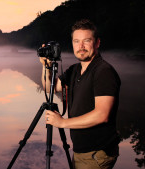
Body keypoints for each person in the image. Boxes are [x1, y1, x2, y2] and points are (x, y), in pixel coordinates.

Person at [40, 19, 121, 169]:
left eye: (86, 41)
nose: (81, 46)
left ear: (97, 43)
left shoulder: (103, 71)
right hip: (83, 150)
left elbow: (102, 115)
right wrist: (46, 67)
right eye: (76, 41)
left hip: (96, 152)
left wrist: (62, 123)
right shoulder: (75, 70)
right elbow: (48, 87)